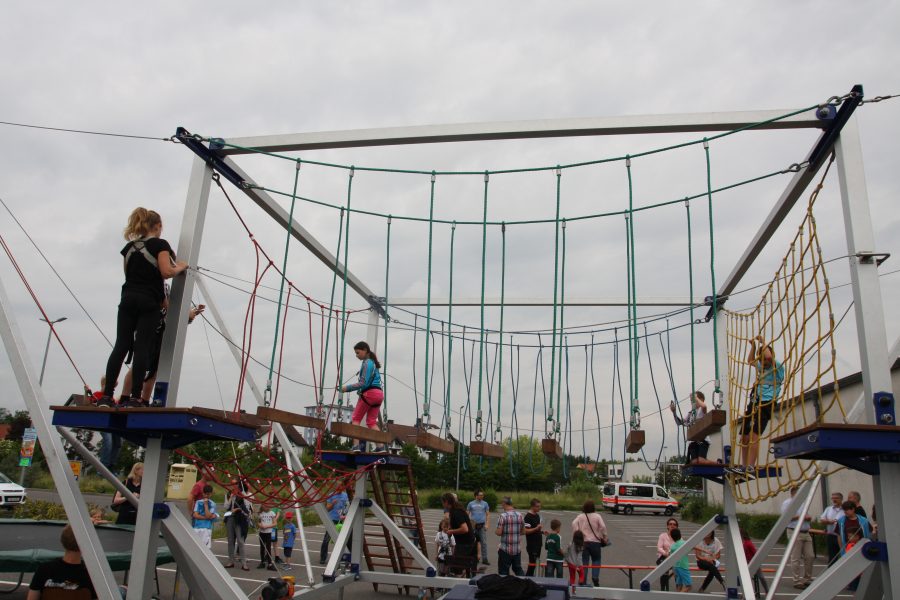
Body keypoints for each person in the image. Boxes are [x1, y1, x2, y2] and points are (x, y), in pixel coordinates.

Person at [99, 207, 189, 407]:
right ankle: (135, 398)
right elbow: (166, 272)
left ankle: (106, 396)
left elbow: (128, 275)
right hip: (148, 301)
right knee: (142, 347)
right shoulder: (160, 244)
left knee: (121, 345)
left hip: (127, 298)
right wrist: (181, 266)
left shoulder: (129, 248)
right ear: (158, 226)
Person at [121, 298, 204, 402]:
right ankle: (130, 398)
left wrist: (188, 315)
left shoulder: (164, 295)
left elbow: (171, 315)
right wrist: (187, 315)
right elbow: (168, 311)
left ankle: (139, 399)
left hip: (157, 332)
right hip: (153, 332)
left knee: (150, 369)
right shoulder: (160, 294)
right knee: (142, 366)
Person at [739, 335, 784, 469]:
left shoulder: (777, 367)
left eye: (764, 358)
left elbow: (769, 357)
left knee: (754, 435)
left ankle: (750, 465)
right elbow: (750, 360)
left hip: (766, 403)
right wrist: (753, 346)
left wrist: (763, 341)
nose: (763, 362)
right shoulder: (761, 367)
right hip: (755, 402)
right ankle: (744, 465)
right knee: (744, 436)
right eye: (760, 359)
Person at [337, 341, 385, 452]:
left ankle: (356, 446)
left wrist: (346, 388)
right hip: (379, 395)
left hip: (369, 394)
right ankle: (380, 446)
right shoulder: (373, 363)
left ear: (365, 350)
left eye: (358, 353)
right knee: (371, 422)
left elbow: (363, 383)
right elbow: (369, 382)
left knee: (356, 419)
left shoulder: (367, 363)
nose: (356, 355)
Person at [27, 525, 95, 599]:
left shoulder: (44, 569)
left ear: (62, 541)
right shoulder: (92, 575)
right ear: (86, 544)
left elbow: (32, 598)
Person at [781, 485, 813, 589]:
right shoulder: (787, 503)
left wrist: (808, 518)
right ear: (794, 493)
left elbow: (806, 516)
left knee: (810, 556)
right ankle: (797, 580)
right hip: (794, 531)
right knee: (796, 557)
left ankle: (807, 579)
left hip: (806, 531)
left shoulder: (804, 503)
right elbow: (785, 518)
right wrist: (800, 517)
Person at [571, 500, 608, 587]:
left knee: (584, 562)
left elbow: (573, 523)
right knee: (596, 560)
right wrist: (605, 536)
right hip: (595, 542)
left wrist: (578, 533)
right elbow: (603, 526)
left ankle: (583, 580)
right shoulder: (597, 516)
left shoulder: (580, 516)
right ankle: (595, 577)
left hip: (584, 542)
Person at [837, 500, 872, 592]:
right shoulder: (841, 521)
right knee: (850, 566)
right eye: (844, 510)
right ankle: (852, 584)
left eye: (847, 510)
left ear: (853, 509)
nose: (845, 512)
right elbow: (839, 535)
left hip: (861, 547)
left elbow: (870, 532)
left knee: (862, 567)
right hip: (848, 547)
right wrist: (841, 548)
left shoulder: (863, 520)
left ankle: (862, 584)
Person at [670, 391, 713, 464]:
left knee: (701, 461)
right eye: (691, 401)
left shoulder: (701, 410)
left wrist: (695, 397)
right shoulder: (690, 413)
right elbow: (679, 422)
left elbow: (704, 406)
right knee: (694, 462)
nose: (692, 403)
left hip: (702, 440)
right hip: (694, 440)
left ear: (701, 400)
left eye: (693, 401)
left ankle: (717, 462)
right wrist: (674, 412)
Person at [91, 377, 123, 471]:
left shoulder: (111, 398)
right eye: (111, 387)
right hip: (101, 422)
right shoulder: (97, 395)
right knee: (108, 441)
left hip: (111, 422)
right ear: (104, 385)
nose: (113, 389)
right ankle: (103, 466)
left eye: (114, 387)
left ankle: (111, 464)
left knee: (118, 442)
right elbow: (89, 403)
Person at [442, 492, 476, 575]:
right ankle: (466, 577)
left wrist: (451, 531)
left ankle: (460, 579)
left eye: (443, 502)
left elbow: (465, 529)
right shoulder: (455, 510)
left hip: (465, 544)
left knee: (457, 567)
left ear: (446, 502)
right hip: (467, 542)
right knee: (463, 566)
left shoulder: (456, 512)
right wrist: (451, 529)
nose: (442, 504)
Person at [224, 480, 252, 571]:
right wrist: (231, 497)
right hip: (230, 517)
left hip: (239, 518)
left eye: (235, 483)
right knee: (230, 540)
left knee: (240, 540)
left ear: (239, 485)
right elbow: (226, 506)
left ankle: (244, 563)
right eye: (231, 483)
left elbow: (246, 507)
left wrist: (237, 509)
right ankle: (231, 561)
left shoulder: (243, 494)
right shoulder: (228, 494)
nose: (233, 485)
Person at [494, 496, 525, 576]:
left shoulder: (503, 516)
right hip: (517, 549)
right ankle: (524, 582)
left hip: (505, 549)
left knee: (503, 572)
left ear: (504, 503)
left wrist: (496, 531)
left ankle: (506, 584)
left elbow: (499, 532)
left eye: (502, 503)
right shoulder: (520, 515)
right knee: (518, 569)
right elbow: (523, 531)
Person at [320, 488, 349, 564]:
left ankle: (344, 558)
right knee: (326, 539)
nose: (339, 490)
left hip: (342, 520)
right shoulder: (331, 495)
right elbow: (327, 509)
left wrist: (345, 515)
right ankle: (323, 558)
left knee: (343, 539)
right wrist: (332, 504)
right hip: (332, 520)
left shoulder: (345, 495)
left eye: (341, 487)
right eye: (338, 488)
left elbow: (347, 507)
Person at [740, 527, 768, 596]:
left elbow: (755, 553)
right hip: (746, 563)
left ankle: (767, 591)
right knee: (743, 578)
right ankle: (746, 592)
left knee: (761, 577)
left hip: (753, 562)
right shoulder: (743, 543)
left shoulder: (748, 543)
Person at [466, 489, 491, 566]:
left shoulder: (485, 503)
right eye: (480, 495)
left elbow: (488, 514)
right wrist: (467, 524)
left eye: (482, 495)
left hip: (482, 525)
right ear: (476, 495)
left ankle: (485, 559)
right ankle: (473, 558)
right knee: (472, 542)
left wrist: (487, 524)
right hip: (473, 526)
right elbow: (467, 514)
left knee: (483, 542)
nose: (482, 496)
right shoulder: (471, 503)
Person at [819, 491, 844, 566]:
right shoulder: (828, 509)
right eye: (833, 498)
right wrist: (829, 522)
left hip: (842, 536)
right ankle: (831, 570)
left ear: (841, 499)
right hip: (831, 535)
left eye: (836, 498)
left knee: (843, 554)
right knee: (832, 557)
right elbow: (822, 520)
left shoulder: (845, 509)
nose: (834, 500)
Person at [191, 484, 218, 549]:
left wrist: (206, 505)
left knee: (205, 548)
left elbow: (208, 515)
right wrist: (207, 518)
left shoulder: (212, 504)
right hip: (197, 527)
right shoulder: (198, 502)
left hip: (206, 528)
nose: (206, 496)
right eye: (205, 494)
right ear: (202, 493)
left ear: (211, 494)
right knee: (195, 547)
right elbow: (195, 515)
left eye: (208, 494)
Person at [656, 517, 679, 591]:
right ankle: (663, 590)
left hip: (674, 559)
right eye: (670, 524)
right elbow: (659, 548)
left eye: (674, 524)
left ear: (677, 527)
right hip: (664, 557)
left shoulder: (679, 537)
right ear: (667, 526)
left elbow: (681, 547)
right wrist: (665, 553)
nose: (672, 525)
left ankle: (678, 589)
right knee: (664, 569)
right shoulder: (662, 535)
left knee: (678, 571)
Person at [523, 498, 544, 576]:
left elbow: (537, 529)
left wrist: (542, 532)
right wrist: (536, 528)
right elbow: (526, 531)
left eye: (540, 506)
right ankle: (528, 578)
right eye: (537, 506)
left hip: (538, 544)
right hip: (532, 545)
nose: (539, 508)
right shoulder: (528, 517)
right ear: (532, 506)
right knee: (532, 564)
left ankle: (531, 578)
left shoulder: (537, 515)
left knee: (536, 563)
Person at [256, 503, 278, 571]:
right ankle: (262, 562)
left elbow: (275, 523)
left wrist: (267, 526)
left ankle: (270, 564)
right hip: (262, 533)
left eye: (268, 506)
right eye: (265, 506)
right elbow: (258, 522)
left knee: (268, 548)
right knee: (262, 548)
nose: (266, 507)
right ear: (263, 506)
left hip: (268, 533)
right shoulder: (260, 513)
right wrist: (261, 526)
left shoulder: (272, 513)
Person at [669, 528, 691, 593]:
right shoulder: (684, 543)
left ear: (672, 537)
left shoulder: (672, 546)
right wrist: (705, 550)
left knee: (679, 585)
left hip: (676, 567)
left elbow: (671, 558)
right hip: (683, 566)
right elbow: (694, 546)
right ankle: (679, 597)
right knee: (688, 586)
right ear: (680, 535)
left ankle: (677, 595)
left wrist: (673, 569)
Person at [564, 530, 585, 595]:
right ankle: (580, 585)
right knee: (582, 575)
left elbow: (566, 553)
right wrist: (578, 566)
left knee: (572, 577)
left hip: (571, 564)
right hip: (579, 564)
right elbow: (579, 557)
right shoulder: (582, 546)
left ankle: (572, 591)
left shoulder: (570, 544)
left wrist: (566, 560)